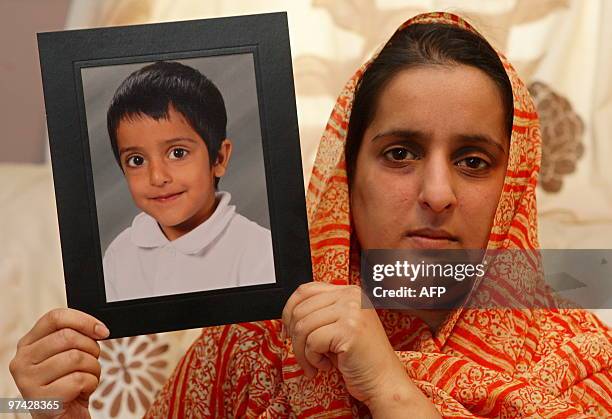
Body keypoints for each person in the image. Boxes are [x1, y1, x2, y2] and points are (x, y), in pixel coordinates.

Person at [10, 12, 611, 418]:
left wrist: (389, 389)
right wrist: (49, 412)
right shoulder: (250, 350)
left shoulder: (581, 363)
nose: (437, 192)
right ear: (346, 175)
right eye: (399, 153)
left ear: (512, 187)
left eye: (474, 160)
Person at [102, 61, 275, 301]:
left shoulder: (260, 253)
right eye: (137, 160)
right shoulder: (119, 254)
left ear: (219, 158)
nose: (157, 177)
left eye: (178, 153)